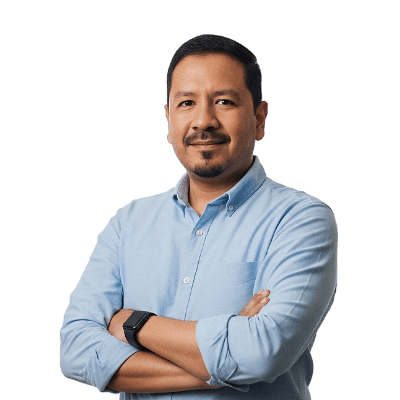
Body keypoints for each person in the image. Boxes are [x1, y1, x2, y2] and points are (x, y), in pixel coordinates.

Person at [59, 34, 338, 399]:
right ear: (168, 118)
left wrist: (134, 324)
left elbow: (263, 353)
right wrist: (226, 361)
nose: (203, 120)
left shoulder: (301, 220)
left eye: (224, 101)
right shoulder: (127, 223)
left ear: (259, 118)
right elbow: (76, 352)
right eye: (187, 103)